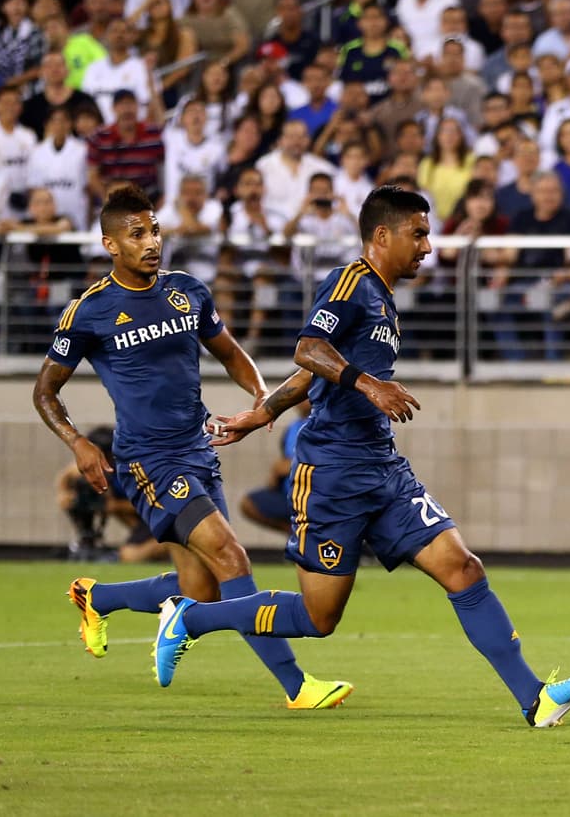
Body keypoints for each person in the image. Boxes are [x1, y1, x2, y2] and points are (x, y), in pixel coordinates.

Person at [152, 186, 570, 728]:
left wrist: (263, 413)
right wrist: (368, 384)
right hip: (333, 474)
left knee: (462, 567)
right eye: (419, 233)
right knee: (318, 618)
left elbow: (313, 369)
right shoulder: (349, 283)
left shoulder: (383, 298)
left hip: (384, 470)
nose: (428, 246)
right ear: (381, 236)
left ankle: (536, 698)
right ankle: (193, 618)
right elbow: (307, 349)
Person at [32, 185, 351, 709]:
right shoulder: (88, 311)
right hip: (149, 462)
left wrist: (260, 394)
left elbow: (228, 350)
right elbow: (45, 391)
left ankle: (96, 596)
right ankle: (298, 687)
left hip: (198, 450)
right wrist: (77, 443)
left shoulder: (188, 292)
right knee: (232, 555)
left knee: (199, 589)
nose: (151, 241)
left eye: (154, 229)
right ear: (111, 244)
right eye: (137, 234)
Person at [55, 425, 165, 563]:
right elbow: (68, 474)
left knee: (130, 556)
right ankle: (88, 541)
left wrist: (115, 505)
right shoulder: (93, 465)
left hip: (158, 517)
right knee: (86, 489)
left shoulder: (135, 469)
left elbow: (157, 505)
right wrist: (63, 494)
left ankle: (161, 548)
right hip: (136, 517)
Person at [241, 403, 311, 534]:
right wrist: (276, 476)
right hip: (291, 496)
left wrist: (294, 464)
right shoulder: (292, 428)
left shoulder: (327, 426)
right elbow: (282, 464)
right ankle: (300, 536)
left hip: (318, 495)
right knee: (249, 503)